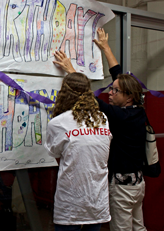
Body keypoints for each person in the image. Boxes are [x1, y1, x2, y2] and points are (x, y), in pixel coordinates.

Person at [54, 28, 147, 231]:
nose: (110, 92)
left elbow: (90, 98)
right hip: (137, 184)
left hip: (122, 187)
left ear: (128, 97)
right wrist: (106, 48)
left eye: (114, 90)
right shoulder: (137, 110)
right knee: (138, 227)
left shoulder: (119, 116)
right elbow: (120, 77)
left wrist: (71, 70)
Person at [45, 71, 112, 231]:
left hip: (70, 202)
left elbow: (58, 157)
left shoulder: (58, 123)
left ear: (64, 92)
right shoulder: (102, 119)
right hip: (97, 200)